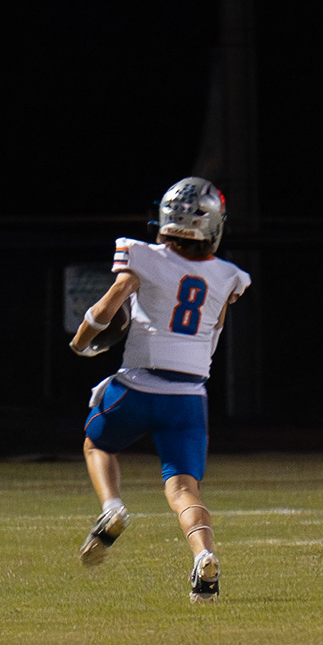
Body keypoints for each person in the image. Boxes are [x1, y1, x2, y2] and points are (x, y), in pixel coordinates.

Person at [69, 177, 251, 601]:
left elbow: (109, 304)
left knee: (97, 445)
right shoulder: (229, 276)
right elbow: (214, 331)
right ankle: (203, 555)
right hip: (188, 396)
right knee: (184, 489)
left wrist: (82, 341)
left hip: (137, 384)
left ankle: (113, 507)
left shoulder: (142, 255)